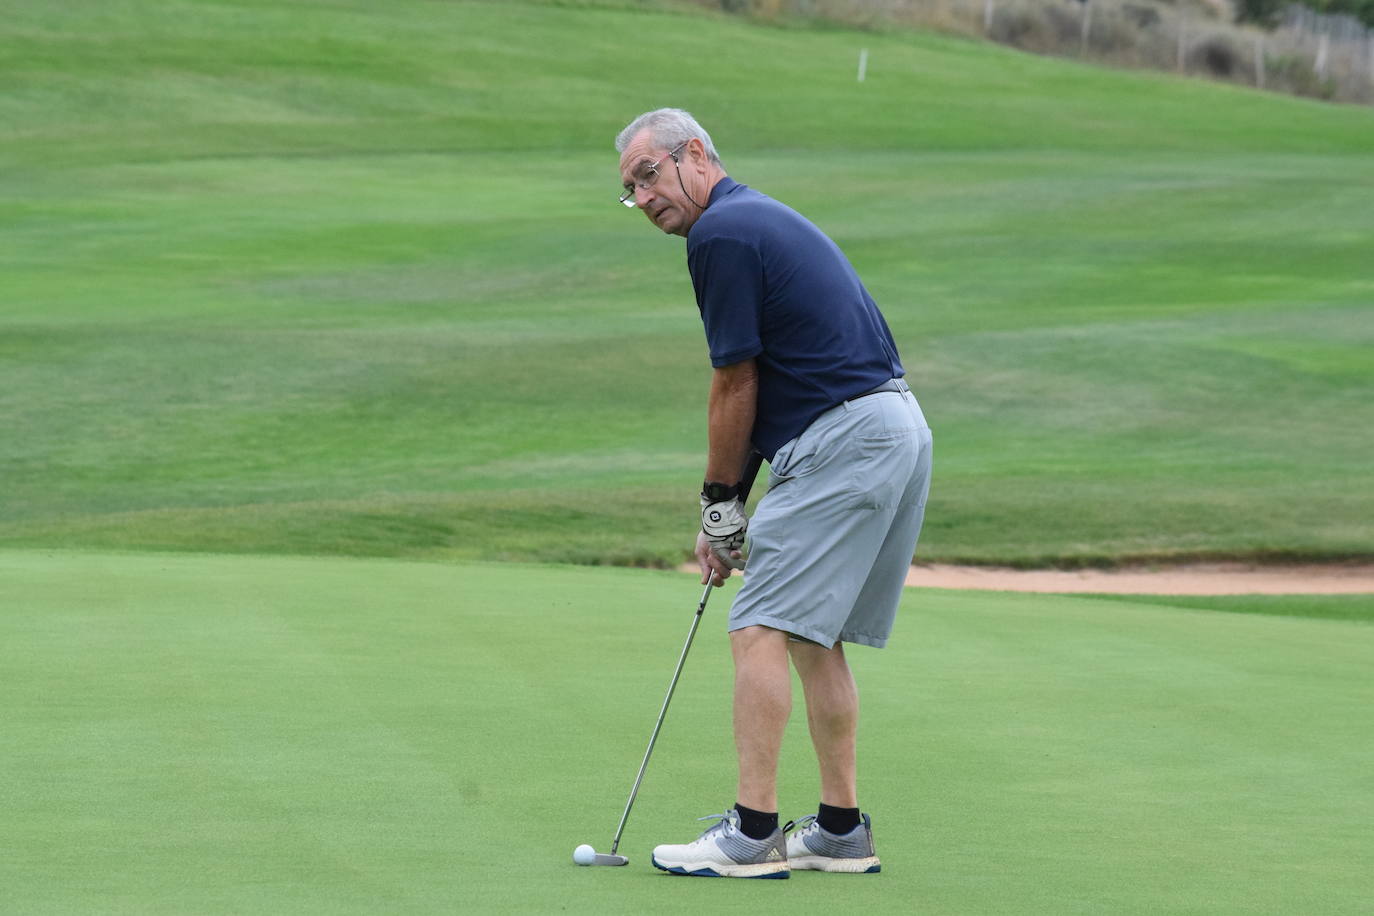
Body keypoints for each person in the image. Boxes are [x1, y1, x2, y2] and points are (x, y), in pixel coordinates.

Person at [614, 108, 933, 879]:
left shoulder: (720, 234)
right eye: (629, 191)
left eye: (649, 175)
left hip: (845, 438)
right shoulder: (753, 219)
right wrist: (727, 510)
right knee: (810, 634)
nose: (644, 197)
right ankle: (839, 829)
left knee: (757, 624)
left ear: (695, 154)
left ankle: (752, 834)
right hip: (893, 428)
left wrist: (720, 504)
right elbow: (759, 387)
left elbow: (735, 381)